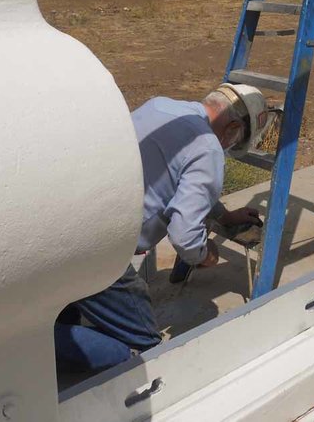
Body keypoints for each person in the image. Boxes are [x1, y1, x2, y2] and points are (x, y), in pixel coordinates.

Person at [55, 83, 271, 373]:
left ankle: (45, 331)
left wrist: (223, 215)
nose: (227, 147)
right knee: (144, 353)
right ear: (232, 127)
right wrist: (205, 254)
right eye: (233, 142)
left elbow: (171, 178)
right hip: (97, 250)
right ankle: (23, 346)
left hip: (60, 229)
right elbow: (184, 236)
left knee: (61, 309)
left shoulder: (160, 106)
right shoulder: (208, 148)